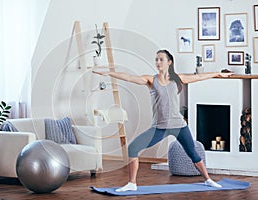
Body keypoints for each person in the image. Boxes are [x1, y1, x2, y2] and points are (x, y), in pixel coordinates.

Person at [93, 49, 234, 192]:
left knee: (193, 154)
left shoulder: (177, 79)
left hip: (179, 125)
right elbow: (130, 77)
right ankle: (132, 183)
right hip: (159, 127)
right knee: (133, 148)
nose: (158, 62)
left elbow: (198, 77)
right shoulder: (151, 80)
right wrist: (109, 73)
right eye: (156, 59)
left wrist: (217, 73)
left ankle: (208, 180)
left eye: (161, 59)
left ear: (169, 62)